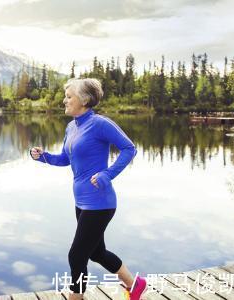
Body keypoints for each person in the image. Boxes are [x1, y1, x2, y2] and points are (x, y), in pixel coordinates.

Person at [30, 78, 147, 300]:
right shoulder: (71, 127)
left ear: (83, 100)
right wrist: (43, 156)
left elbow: (129, 148)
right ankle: (135, 285)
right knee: (96, 252)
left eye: (69, 96)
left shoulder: (100, 124)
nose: (64, 100)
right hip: (81, 202)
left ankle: (77, 297)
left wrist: (107, 174)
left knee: (76, 256)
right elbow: (65, 158)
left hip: (100, 203)